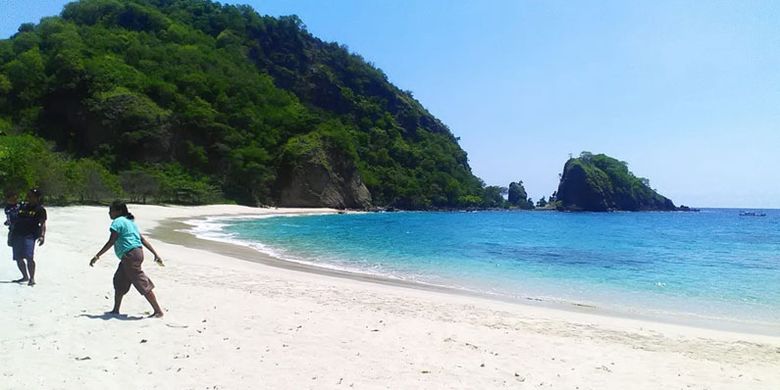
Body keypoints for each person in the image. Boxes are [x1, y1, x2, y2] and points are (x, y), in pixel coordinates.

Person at [90, 201, 165, 318]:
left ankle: (158, 311)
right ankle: (115, 310)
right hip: (135, 253)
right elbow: (142, 240)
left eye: (111, 211)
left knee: (140, 281)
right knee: (119, 280)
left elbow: (111, 241)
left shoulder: (118, 222)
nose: (109, 213)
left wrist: (97, 255)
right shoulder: (130, 223)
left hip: (130, 255)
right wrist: (155, 254)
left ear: (118, 211)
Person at [11, 188, 46, 285]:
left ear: (37, 198)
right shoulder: (22, 206)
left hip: (29, 235)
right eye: (28, 196)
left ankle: (32, 278)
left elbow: (43, 224)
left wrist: (42, 236)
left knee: (29, 257)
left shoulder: (40, 210)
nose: (28, 198)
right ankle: (24, 276)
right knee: (18, 257)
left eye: (31, 196)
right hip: (17, 234)